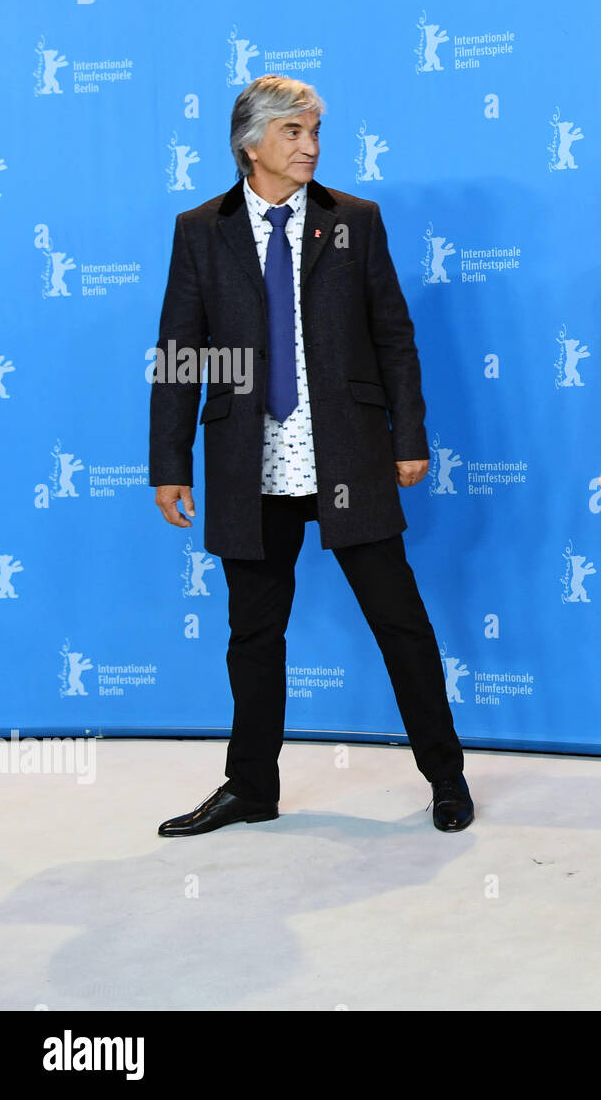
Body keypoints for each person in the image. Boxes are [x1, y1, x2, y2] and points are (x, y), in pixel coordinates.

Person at [150, 75, 472, 836]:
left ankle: (446, 779)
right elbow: (179, 354)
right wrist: (169, 462)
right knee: (253, 637)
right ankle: (250, 787)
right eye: (294, 132)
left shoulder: (354, 220)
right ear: (250, 144)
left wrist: (410, 436)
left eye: (316, 131)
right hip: (245, 465)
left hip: (349, 456)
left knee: (402, 625)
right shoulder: (201, 230)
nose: (311, 147)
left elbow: (395, 337)